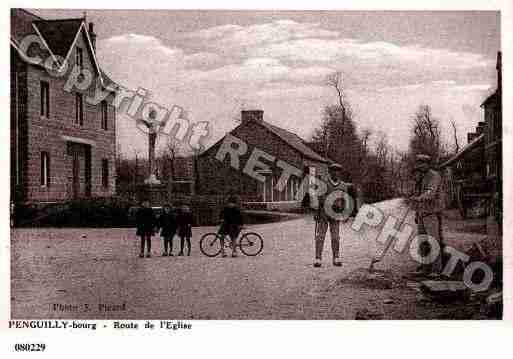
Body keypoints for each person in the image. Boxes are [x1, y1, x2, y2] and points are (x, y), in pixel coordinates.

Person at [407, 154, 446, 277]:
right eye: (418, 164)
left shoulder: (434, 176)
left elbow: (430, 193)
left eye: (421, 164)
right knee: (422, 242)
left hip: (432, 213)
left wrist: (418, 198)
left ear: (427, 164)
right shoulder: (421, 177)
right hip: (422, 214)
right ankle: (425, 267)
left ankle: (436, 270)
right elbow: (417, 192)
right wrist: (416, 212)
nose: (419, 166)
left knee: (433, 241)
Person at [314, 163, 357, 268]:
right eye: (333, 171)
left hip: (336, 214)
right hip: (324, 213)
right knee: (320, 236)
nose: (335, 173)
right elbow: (320, 199)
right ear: (329, 172)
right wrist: (317, 212)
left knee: (335, 237)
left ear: (340, 173)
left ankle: (336, 257)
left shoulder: (343, 186)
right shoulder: (324, 183)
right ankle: (318, 258)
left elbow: (345, 200)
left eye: (338, 171)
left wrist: (346, 213)